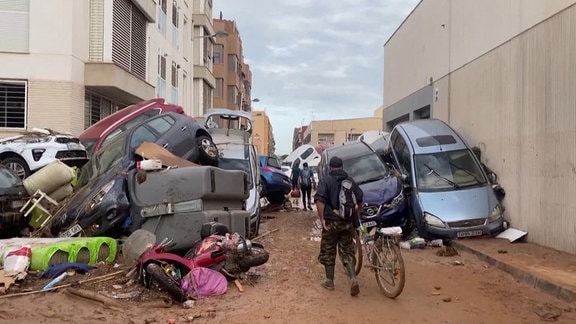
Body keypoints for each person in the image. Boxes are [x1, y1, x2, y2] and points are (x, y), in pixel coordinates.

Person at [314, 156, 363, 296]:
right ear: (342, 166)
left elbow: (320, 201)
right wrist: (356, 214)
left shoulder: (326, 180)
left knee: (328, 250)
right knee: (347, 250)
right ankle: (353, 278)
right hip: (347, 222)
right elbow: (360, 199)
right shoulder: (350, 180)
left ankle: (329, 281)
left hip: (331, 221)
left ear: (330, 167)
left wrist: (322, 219)